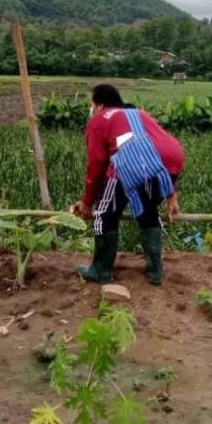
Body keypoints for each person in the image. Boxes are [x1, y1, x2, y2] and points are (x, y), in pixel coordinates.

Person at [70, 84, 184, 285]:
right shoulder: (137, 113)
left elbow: (97, 162)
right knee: (148, 210)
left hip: (134, 161)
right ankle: (155, 271)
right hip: (171, 160)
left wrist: (88, 201)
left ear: (99, 104)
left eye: (91, 104)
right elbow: (158, 151)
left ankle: (101, 270)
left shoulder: (99, 119)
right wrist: (171, 193)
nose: (91, 109)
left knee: (105, 214)